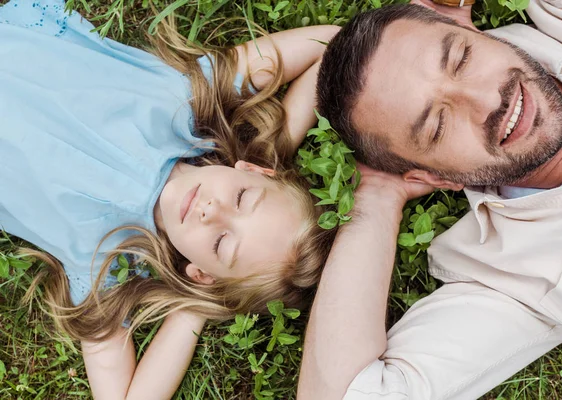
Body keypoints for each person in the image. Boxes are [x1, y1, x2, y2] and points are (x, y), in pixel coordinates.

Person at [0, 1, 340, 398]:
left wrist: (198, 305)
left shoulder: (105, 258)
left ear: (201, 273)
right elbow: (330, 45)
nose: (212, 212)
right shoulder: (189, 98)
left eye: (221, 243)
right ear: (250, 170)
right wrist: (273, 152)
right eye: (243, 198)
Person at [299, 0, 562, 399]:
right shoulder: (506, 275)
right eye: (438, 126)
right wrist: (377, 198)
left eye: (461, 58)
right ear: (433, 176)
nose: (487, 100)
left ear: (466, 26)